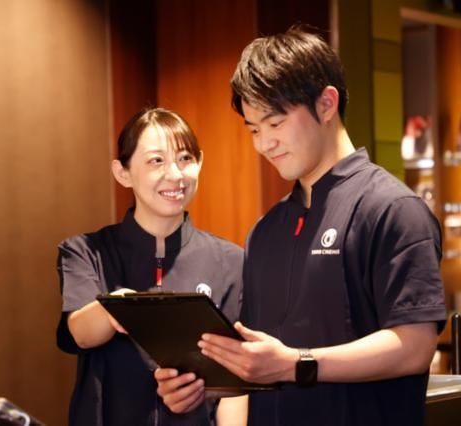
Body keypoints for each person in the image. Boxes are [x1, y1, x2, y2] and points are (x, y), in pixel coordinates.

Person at [155, 27, 446, 425]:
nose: (264, 144)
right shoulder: (266, 230)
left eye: (274, 123)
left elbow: (415, 346)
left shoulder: (393, 209)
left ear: (326, 104)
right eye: (254, 130)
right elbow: (260, 365)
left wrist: (297, 363)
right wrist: (204, 385)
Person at [56, 108, 245, 425]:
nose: (175, 174)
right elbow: (82, 333)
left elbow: (236, 380)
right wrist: (118, 307)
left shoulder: (231, 260)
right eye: (157, 160)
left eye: (185, 158)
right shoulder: (86, 251)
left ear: (200, 162)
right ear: (123, 173)